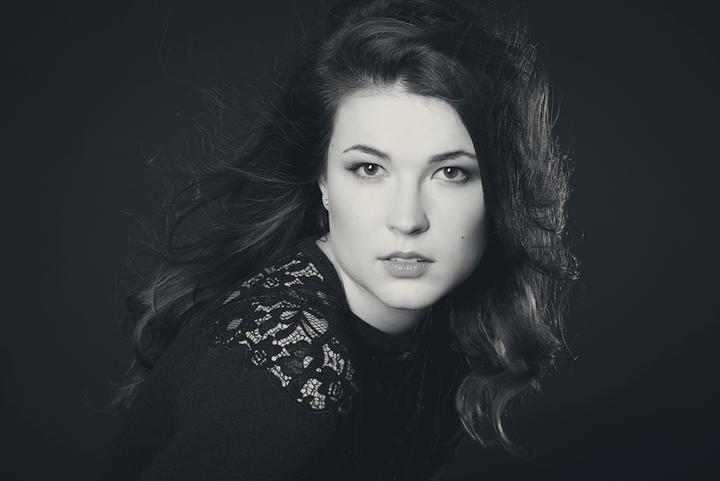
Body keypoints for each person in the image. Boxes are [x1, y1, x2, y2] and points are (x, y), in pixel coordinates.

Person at [101, 0, 577, 479]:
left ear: (499, 190)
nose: (407, 219)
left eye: (450, 172)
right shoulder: (289, 367)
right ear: (323, 182)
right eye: (369, 169)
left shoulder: (448, 327)